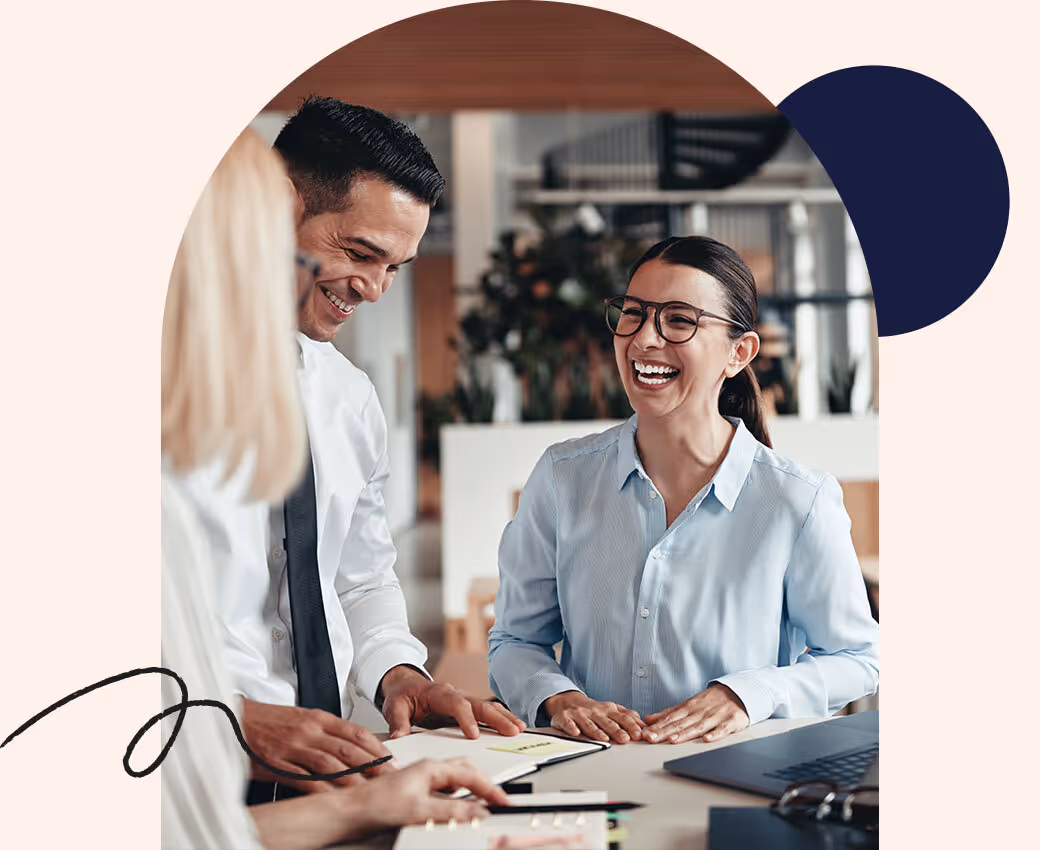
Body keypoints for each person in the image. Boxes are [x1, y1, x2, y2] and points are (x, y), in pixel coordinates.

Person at [161, 128, 508, 850]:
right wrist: (233, 715)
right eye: (359, 253)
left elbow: (360, 575)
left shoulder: (350, 398)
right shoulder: (168, 384)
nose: (374, 289)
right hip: (180, 759)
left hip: (337, 760)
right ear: (279, 210)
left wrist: (399, 672)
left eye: (396, 268)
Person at [488, 235, 879, 745]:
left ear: (739, 353)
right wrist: (560, 698)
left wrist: (748, 694)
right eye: (633, 314)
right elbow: (516, 641)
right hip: (589, 772)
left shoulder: (796, 500)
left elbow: (858, 659)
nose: (645, 339)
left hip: (738, 777)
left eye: (679, 319)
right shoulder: (563, 478)